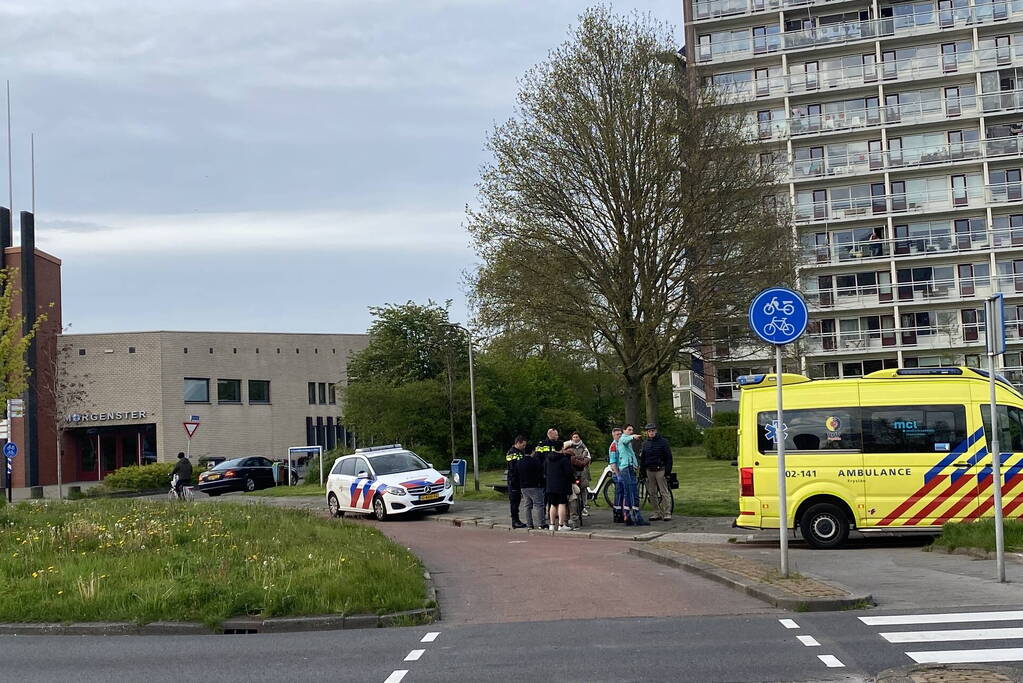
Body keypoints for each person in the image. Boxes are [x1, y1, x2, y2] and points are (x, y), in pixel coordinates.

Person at [616, 425, 648, 526]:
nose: (631, 431)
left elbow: (631, 455)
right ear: (624, 431)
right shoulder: (622, 439)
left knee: (631, 491)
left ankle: (630, 516)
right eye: (629, 430)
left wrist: (636, 465)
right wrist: (633, 436)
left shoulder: (627, 443)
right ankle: (634, 516)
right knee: (630, 491)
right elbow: (625, 439)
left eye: (632, 430)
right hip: (626, 468)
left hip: (629, 467)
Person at [640, 423, 673, 521]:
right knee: (652, 492)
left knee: (664, 492)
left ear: (656, 431)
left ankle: (667, 512)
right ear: (647, 432)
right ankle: (656, 512)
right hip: (649, 470)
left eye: (652, 431)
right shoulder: (645, 444)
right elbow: (643, 458)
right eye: (649, 431)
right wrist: (642, 471)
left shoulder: (663, 442)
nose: (651, 433)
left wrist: (667, 471)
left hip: (660, 469)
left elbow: (668, 457)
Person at [534, 428, 562, 528]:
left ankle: (553, 514)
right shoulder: (542, 444)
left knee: (551, 495)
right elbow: (537, 458)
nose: (558, 436)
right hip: (545, 474)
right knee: (545, 496)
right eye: (556, 434)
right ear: (551, 434)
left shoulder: (558, 443)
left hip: (554, 473)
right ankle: (544, 515)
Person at [545, 444, 575, 531]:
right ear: (562, 448)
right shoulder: (564, 459)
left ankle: (551, 524)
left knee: (553, 504)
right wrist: (573, 481)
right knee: (562, 504)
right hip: (562, 485)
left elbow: (545, 470)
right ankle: (561, 525)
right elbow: (569, 473)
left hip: (550, 485)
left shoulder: (548, 458)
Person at [516, 446, 546, 529]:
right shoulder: (535, 461)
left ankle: (529, 524)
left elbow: (517, 473)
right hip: (535, 486)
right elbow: (540, 473)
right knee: (539, 505)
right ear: (532, 452)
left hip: (524, 486)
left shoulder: (519, 462)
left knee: (527, 505)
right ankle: (541, 523)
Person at [566, 432, 591, 526]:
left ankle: (584, 506)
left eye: (577, 437)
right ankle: (574, 513)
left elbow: (588, 457)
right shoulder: (568, 447)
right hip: (574, 471)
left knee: (583, 489)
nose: (576, 438)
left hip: (583, 471)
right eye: (574, 437)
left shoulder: (584, 447)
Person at [506, 437, 528, 529]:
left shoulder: (519, 452)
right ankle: (515, 521)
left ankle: (516, 520)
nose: (524, 447)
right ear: (518, 443)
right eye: (523, 445)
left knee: (517, 501)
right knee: (514, 502)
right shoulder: (512, 453)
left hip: (518, 480)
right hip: (514, 481)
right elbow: (513, 467)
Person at [608, 427, 624, 523]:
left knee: (622, 493)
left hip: (622, 471)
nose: (619, 436)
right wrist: (618, 475)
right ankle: (617, 514)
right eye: (617, 434)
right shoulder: (614, 446)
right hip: (618, 472)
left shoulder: (620, 444)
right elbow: (613, 462)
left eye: (620, 434)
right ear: (613, 435)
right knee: (619, 494)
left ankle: (621, 512)